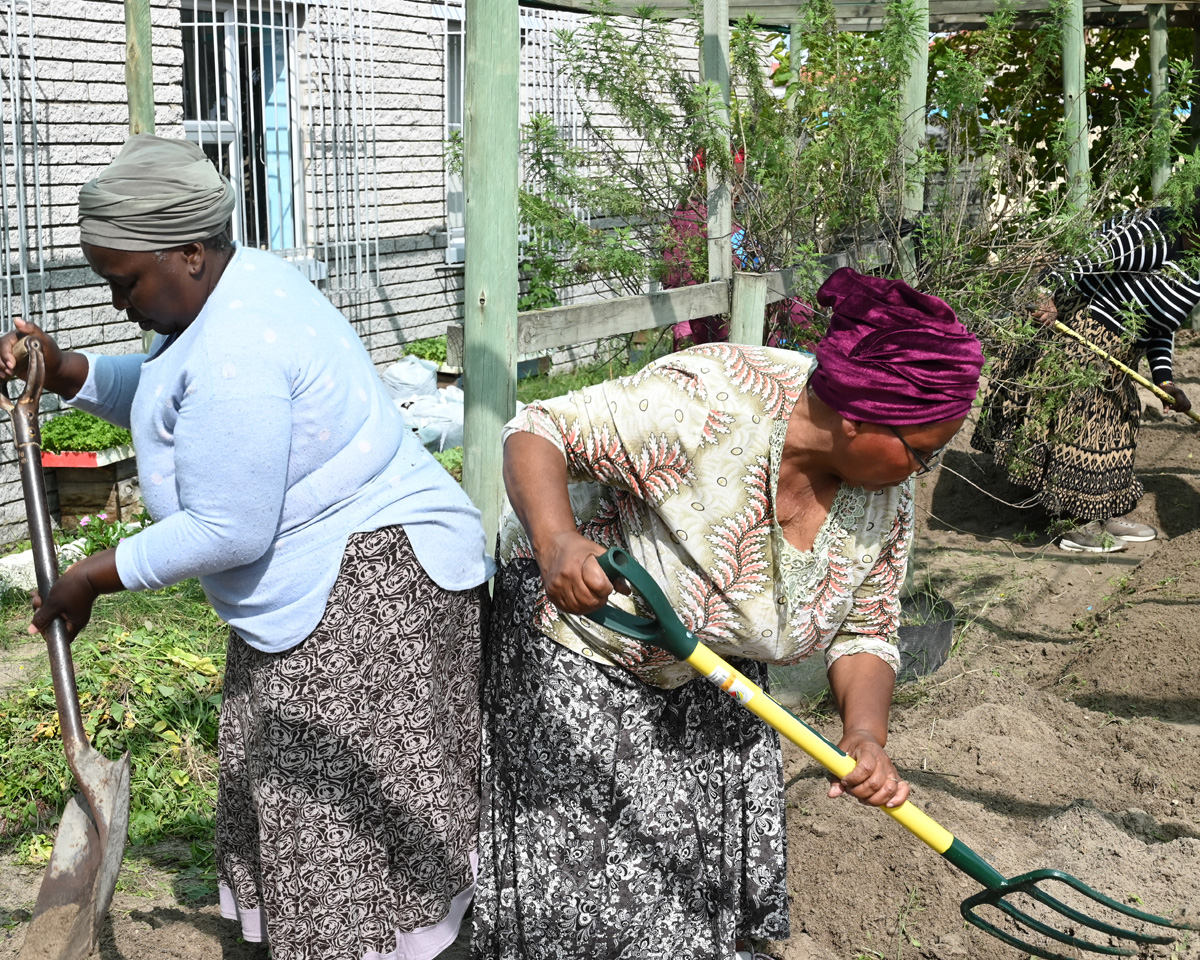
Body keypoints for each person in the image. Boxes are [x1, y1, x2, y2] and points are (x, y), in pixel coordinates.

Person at [0, 135, 492, 960]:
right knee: (302, 801)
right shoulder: (231, 284)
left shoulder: (240, 341)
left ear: (188, 252)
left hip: (371, 592)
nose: (118, 301)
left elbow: (229, 529)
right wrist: (69, 371)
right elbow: (167, 391)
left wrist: (90, 575)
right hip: (337, 577)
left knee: (343, 821)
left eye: (124, 282)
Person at [473, 268, 985, 960]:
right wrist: (559, 539)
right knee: (602, 893)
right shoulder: (713, 402)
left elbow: (867, 625)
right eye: (920, 454)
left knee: (694, 900)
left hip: (716, 670)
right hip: (589, 650)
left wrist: (865, 736)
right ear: (862, 413)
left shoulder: (880, 495)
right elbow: (539, 429)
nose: (922, 472)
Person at [972, 207, 1196, 553]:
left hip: (1121, 354)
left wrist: (1165, 381)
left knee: (1118, 422)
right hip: (1082, 333)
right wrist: (1044, 293)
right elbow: (1084, 255)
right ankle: (1073, 524)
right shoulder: (1157, 235)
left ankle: (1102, 511)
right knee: (1081, 421)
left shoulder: (1195, 267)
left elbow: (1161, 324)